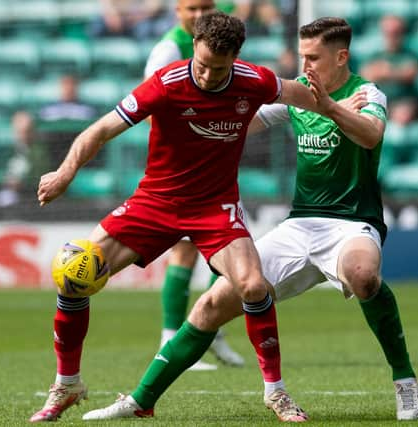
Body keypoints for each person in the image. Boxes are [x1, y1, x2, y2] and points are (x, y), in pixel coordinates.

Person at [83, 17, 418, 422]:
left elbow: (370, 135)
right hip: (301, 224)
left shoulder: (368, 93)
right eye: (302, 57)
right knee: (212, 304)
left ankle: (405, 381)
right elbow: (240, 122)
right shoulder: (298, 96)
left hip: (352, 222)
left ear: (341, 56)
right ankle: (140, 400)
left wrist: (330, 108)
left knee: (363, 274)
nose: (306, 65)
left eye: (313, 57)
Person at [29, 11, 332, 423]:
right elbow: (100, 129)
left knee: (253, 286)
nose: (207, 76)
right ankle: (67, 384)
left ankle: (275, 393)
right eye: (202, 64)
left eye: (218, 68)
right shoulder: (167, 83)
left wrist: (339, 105)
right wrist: (65, 172)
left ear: (236, 59)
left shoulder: (255, 81)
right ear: (194, 47)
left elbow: (305, 97)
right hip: (156, 202)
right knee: (73, 274)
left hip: (215, 207)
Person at [144, 0, 244, 370]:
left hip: (215, 159)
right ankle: (172, 336)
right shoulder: (168, 50)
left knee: (228, 249)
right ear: (178, 13)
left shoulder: (218, 44)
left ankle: (210, 328)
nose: (199, 14)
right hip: (184, 166)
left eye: (206, 6)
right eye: (191, 7)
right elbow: (153, 104)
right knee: (186, 249)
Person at [359, 15, 418, 126]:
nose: (392, 36)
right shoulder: (375, 54)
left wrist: (385, 71)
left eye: (396, 33)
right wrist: (397, 72)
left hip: (402, 101)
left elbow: (411, 73)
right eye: (388, 33)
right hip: (378, 101)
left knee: (403, 115)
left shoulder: (410, 53)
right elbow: (365, 76)